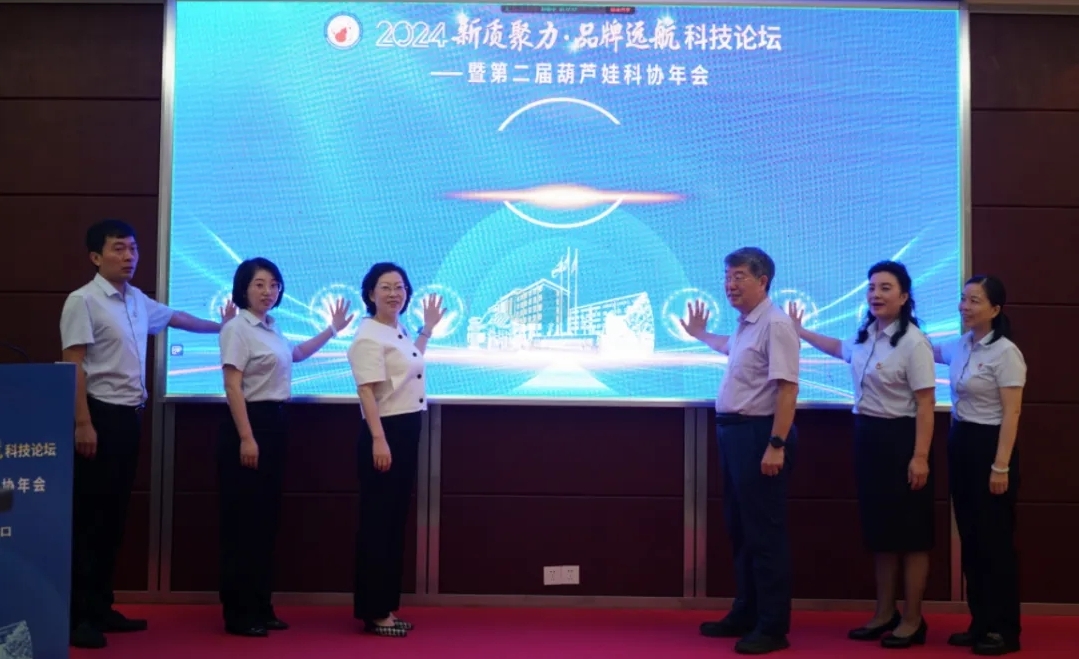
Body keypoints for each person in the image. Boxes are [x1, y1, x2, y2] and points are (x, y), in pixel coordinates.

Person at [60, 219, 236, 649]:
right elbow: (72, 364)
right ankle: (77, 617)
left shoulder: (137, 300)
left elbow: (176, 317)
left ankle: (101, 606)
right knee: (89, 518)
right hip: (98, 417)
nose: (129, 257)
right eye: (119, 249)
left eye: (133, 249)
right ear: (96, 256)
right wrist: (82, 423)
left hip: (129, 418)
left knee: (114, 517)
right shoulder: (82, 301)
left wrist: (223, 326)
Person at [789, 260, 936, 649]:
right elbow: (840, 350)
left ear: (904, 297)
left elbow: (925, 404)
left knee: (911, 535)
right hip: (868, 439)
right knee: (881, 531)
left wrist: (920, 456)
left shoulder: (914, 343)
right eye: (871, 287)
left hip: (903, 440)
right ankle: (884, 613)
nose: (875, 294)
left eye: (885, 288)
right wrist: (801, 331)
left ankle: (913, 619)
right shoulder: (867, 334)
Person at [216, 257, 353, 637]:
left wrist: (332, 330)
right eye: (260, 284)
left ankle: (261, 606)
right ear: (243, 288)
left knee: (264, 522)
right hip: (249, 425)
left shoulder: (271, 327)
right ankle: (239, 614)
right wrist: (247, 437)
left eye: (274, 285)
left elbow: (298, 354)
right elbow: (232, 386)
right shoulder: (237, 328)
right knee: (243, 525)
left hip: (275, 425)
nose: (268, 291)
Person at [685, 247, 800, 655]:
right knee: (741, 529)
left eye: (738, 277)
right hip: (735, 435)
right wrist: (700, 335)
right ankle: (746, 612)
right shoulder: (747, 324)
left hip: (759, 435)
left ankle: (772, 626)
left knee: (764, 534)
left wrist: (776, 444)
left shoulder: (776, 324)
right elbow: (728, 349)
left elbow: (787, 389)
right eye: (727, 276)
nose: (729, 285)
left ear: (762, 280)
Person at [347, 262, 443, 637]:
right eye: (385, 287)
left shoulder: (396, 330)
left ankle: (385, 607)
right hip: (384, 432)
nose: (394, 293)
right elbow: (367, 392)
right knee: (378, 525)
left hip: (404, 429)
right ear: (370, 293)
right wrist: (379, 439)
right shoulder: (368, 335)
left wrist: (427, 330)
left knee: (392, 523)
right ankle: (373, 612)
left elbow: (408, 369)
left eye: (400, 287)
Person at [933, 275, 1024, 656]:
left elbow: (1012, 413)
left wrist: (1000, 467)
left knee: (995, 543)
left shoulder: (1006, 352)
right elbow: (924, 349)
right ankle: (981, 622)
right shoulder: (961, 345)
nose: (964, 307)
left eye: (974, 300)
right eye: (963, 299)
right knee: (970, 540)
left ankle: (1005, 631)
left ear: (995, 309)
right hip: (962, 444)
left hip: (991, 448)